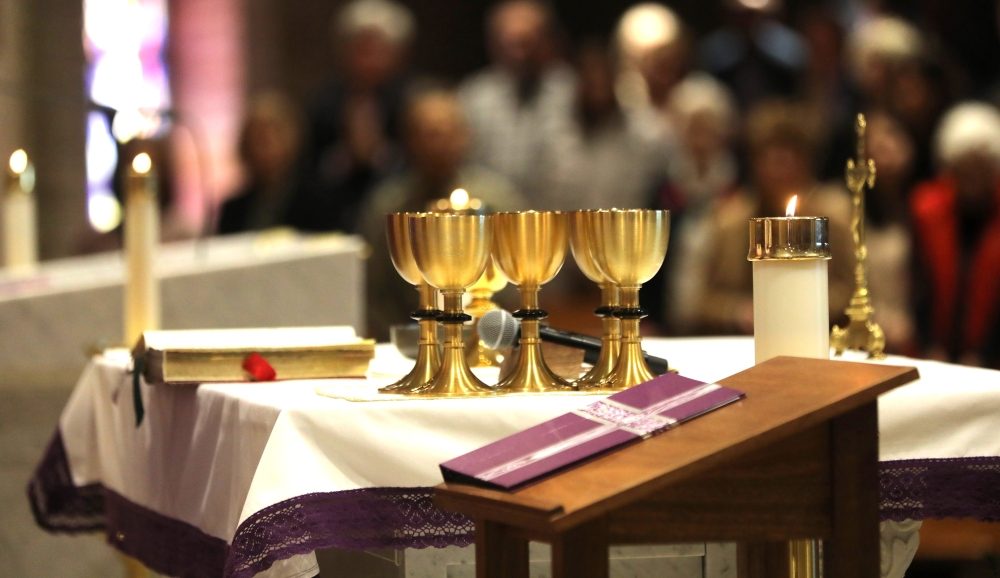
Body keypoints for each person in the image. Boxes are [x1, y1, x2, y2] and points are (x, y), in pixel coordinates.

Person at [359, 88, 525, 340]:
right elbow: (374, 290)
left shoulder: (497, 199)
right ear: (409, 139)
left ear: (465, 136)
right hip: (411, 341)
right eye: (430, 134)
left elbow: (516, 281)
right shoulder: (387, 205)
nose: (440, 144)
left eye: (450, 133)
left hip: (488, 338)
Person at [695, 100, 853, 335]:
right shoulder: (729, 220)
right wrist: (738, 311)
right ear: (755, 163)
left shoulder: (834, 216)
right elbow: (702, 300)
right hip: (745, 342)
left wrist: (797, 308)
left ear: (807, 162)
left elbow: (853, 291)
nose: (780, 170)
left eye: (790, 158)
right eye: (772, 159)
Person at [285, 0, 415, 233]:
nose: (368, 59)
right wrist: (345, 159)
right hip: (334, 217)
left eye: (377, 50)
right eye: (361, 49)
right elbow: (308, 169)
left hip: (399, 219)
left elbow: (415, 167)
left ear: (396, 54)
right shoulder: (324, 103)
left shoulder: (410, 102)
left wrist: (378, 154)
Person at [910, 102, 1000, 368]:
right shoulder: (927, 210)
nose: (972, 176)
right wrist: (929, 346)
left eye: (980, 167)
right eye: (965, 167)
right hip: (936, 354)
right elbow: (919, 285)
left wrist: (984, 355)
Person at [458, 0, 575, 202]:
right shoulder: (474, 96)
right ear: (494, 44)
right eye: (510, 43)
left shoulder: (573, 91)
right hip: (493, 217)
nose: (519, 54)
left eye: (527, 43)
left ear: (548, 40)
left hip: (559, 217)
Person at [218, 93, 302, 234]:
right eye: (253, 140)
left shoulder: (312, 202)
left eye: (265, 141)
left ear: (288, 141)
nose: (258, 150)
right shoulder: (232, 209)